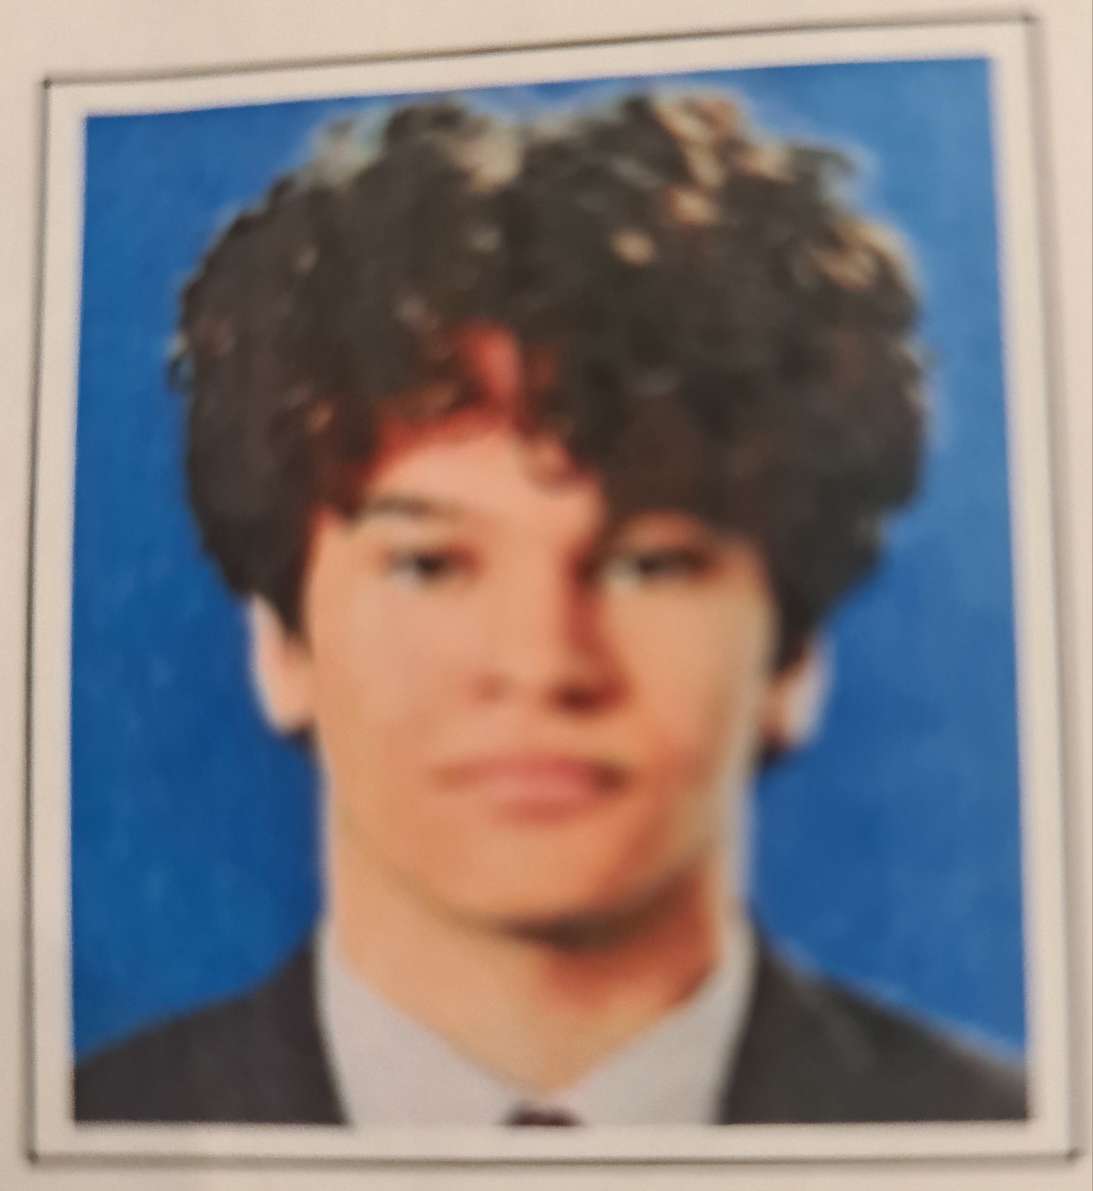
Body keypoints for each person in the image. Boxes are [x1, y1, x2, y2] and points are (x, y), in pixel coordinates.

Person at [75, 91, 1025, 1126]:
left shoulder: (1001, 1134)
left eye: (648, 564)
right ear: (279, 643)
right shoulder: (93, 1129)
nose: (539, 662)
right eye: (429, 564)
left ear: (791, 654)